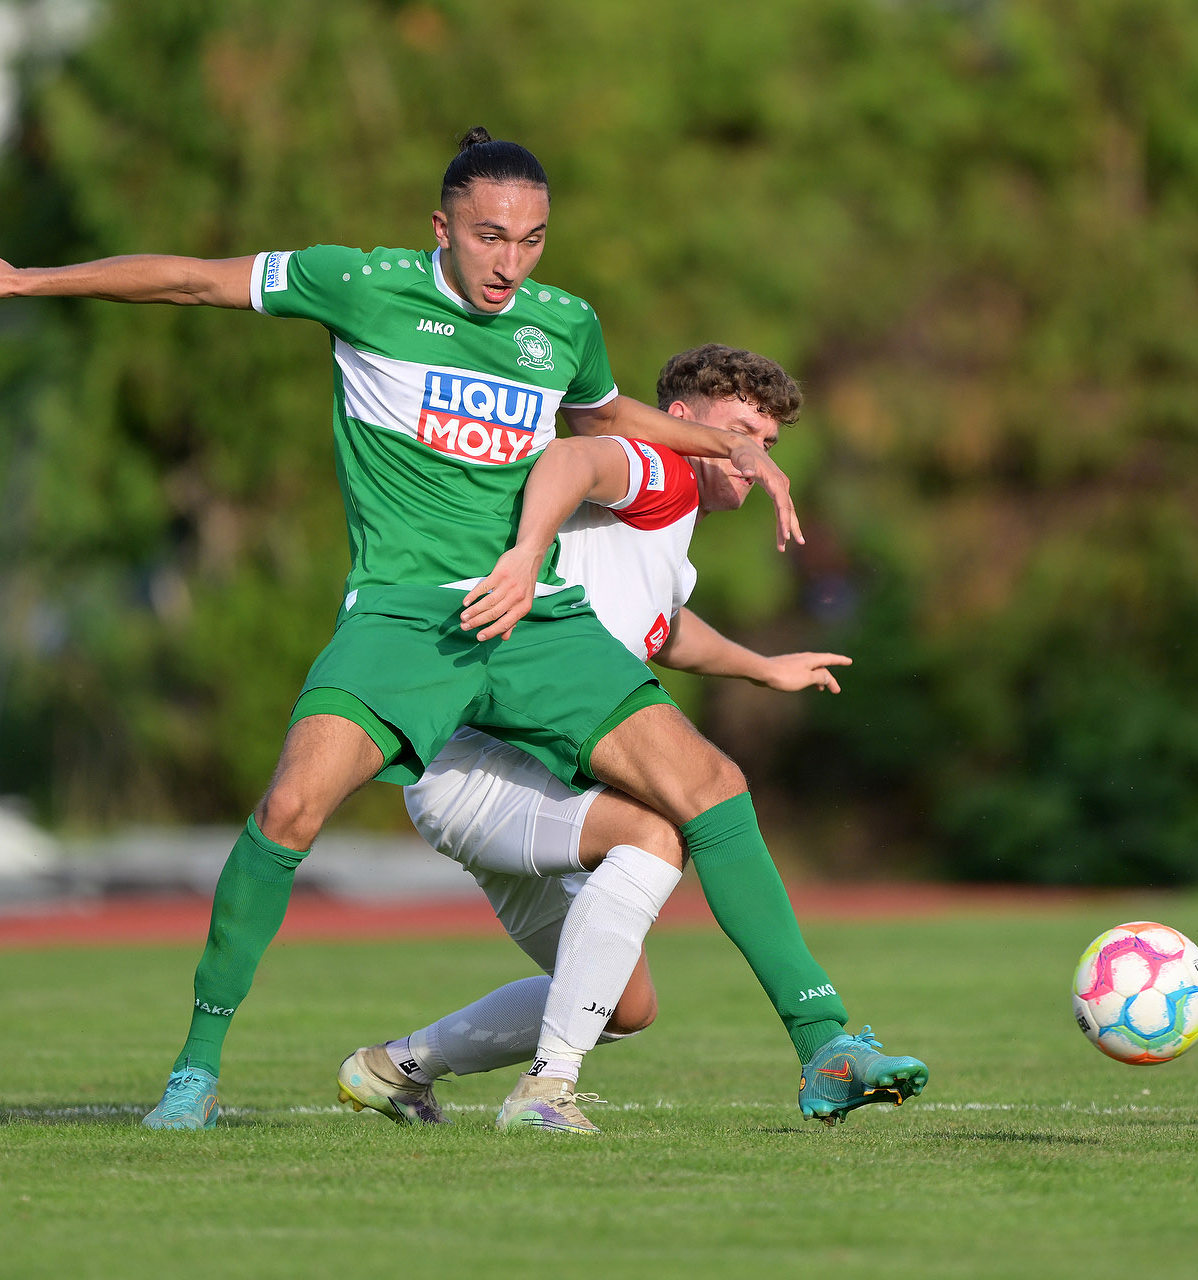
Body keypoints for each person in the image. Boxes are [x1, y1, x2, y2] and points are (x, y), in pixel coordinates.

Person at [0, 128, 917, 1133]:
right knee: (289, 810)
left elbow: (604, 414)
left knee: (712, 787)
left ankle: (823, 1044)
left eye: (532, 240)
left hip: (533, 619)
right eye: (490, 237)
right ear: (441, 227)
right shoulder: (361, 285)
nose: (510, 262)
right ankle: (194, 1072)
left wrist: (727, 448)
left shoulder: (563, 322)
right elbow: (191, 279)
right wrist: (25, 280)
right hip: (406, 612)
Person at [336, 345, 926, 1132]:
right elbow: (575, 456)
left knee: (623, 1005)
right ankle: (812, 1043)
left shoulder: (665, 538)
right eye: (739, 431)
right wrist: (524, 554)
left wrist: (760, 667)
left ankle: (392, 1069)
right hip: (487, 764)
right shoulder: (660, 470)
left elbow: (665, 627)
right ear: (680, 421)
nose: (754, 455)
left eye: (767, 441)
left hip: (506, 780)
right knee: (699, 799)